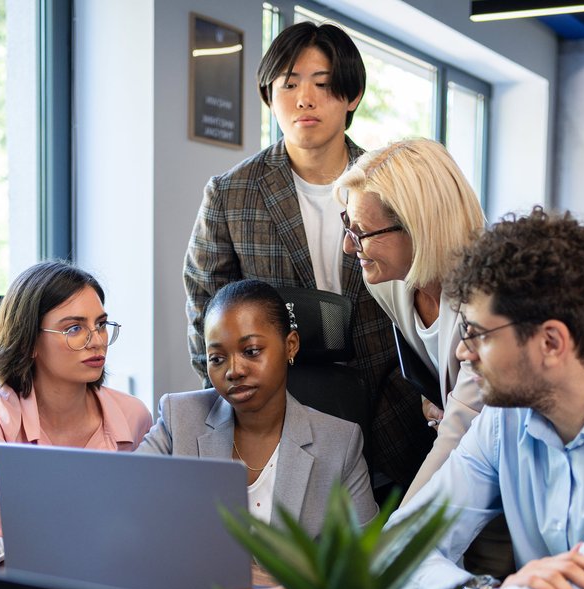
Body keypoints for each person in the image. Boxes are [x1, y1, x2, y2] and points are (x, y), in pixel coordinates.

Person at [226, 207, 584, 589]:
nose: (461, 354)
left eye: (476, 334)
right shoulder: (505, 420)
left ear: (551, 342)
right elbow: (407, 545)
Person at [183, 20, 433, 493]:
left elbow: (423, 291)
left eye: (322, 84)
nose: (304, 99)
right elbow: (204, 306)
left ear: (351, 95)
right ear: (268, 94)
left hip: (389, 403)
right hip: (276, 405)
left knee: (384, 551)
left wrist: (422, 388)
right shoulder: (232, 193)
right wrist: (237, 394)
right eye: (289, 84)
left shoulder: (392, 187)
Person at [335, 138, 513, 578]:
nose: (347, 245)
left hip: (515, 474)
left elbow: (461, 427)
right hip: (464, 464)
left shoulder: (489, 301)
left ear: (419, 227)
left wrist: (375, 561)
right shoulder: (387, 282)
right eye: (348, 224)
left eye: (360, 231)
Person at [137, 279, 376, 535]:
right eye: (217, 358)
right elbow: (124, 504)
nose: (234, 371)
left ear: (290, 345)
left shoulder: (340, 444)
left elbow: (366, 560)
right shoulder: (179, 418)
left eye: (251, 351)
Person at [0, 262, 153, 536]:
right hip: (7, 570)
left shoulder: (133, 415)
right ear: (29, 341)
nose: (97, 341)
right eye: (74, 329)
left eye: (101, 324)